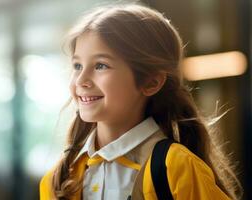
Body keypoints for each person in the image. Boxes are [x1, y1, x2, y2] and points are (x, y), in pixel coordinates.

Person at [39, 3, 243, 200]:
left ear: (151, 82)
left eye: (101, 65)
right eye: (77, 65)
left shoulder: (177, 168)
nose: (81, 80)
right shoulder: (60, 178)